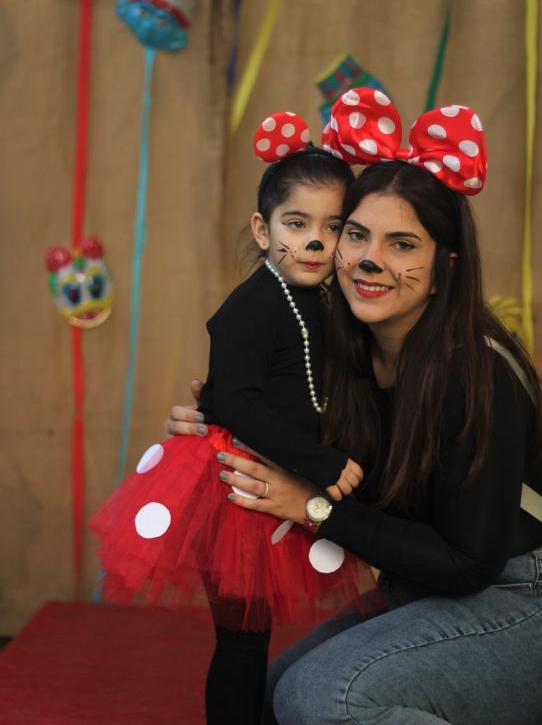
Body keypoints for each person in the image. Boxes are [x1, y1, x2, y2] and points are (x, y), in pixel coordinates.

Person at [169, 88, 542, 724]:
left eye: (403, 244)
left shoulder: (472, 372)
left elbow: (469, 563)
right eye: (356, 234)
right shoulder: (343, 352)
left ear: (445, 266)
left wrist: (311, 506)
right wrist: (213, 425)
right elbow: (279, 429)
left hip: (538, 597)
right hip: (423, 586)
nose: (369, 258)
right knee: (272, 706)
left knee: (323, 699)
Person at [89, 110, 373, 725]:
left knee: (254, 637)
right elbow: (239, 404)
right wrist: (321, 460)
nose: (315, 242)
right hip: (232, 487)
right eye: (297, 224)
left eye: (333, 227)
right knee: (242, 640)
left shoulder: (321, 300)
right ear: (263, 229)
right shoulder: (252, 305)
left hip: (272, 473)